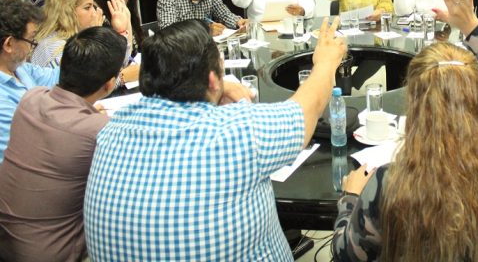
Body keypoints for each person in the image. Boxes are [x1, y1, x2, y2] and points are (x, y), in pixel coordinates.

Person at [84, 17, 347, 261]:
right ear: (213, 79)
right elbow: (306, 110)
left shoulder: (109, 131)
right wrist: (325, 63)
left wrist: (215, 88)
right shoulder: (237, 132)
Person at [332, 0, 478, 261]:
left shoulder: (389, 183)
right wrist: (471, 26)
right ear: (477, 96)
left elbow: (346, 254)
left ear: (415, 103)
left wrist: (350, 199)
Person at [0, 26, 126, 262]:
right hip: (57, 253)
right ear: (109, 84)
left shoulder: (30, 99)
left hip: (8, 242)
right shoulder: (99, 131)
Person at [31, 0, 137, 83]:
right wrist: (122, 77)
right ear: (67, 13)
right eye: (87, 7)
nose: (95, 12)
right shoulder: (54, 48)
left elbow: (119, 65)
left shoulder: (74, 39)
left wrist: (121, 31)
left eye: (93, 7)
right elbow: (86, 86)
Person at [0, 0, 59, 162]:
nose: (32, 47)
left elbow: (60, 76)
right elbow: (31, 147)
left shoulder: (20, 68)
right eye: (31, 40)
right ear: (9, 44)